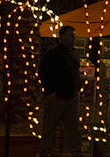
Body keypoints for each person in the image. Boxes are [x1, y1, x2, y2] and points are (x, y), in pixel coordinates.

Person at [38, 25, 82, 157]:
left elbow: (75, 73)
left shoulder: (73, 54)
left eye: (74, 36)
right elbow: (43, 72)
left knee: (72, 129)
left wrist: (77, 89)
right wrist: (49, 91)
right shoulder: (53, 54)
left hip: (71, 97)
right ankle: (44, 152)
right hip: (56, 98)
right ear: (62, 37)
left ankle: (76, 153)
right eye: (70, 35)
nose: (73, 38)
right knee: (49, 128)